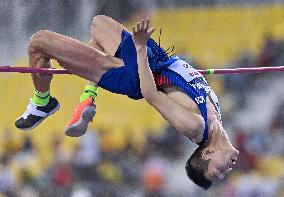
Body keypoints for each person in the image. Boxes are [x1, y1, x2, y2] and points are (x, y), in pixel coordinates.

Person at [15, 15, 239, 190]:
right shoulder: (216, 118)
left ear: (207, 154)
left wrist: (140, 48)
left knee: (39, 42)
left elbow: (151, 95)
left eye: (218, 172)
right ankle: (88, 96)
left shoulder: (196, 127)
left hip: (135, 75)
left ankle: (43, 102)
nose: (226, 171)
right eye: (221, 174)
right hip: (157, 59)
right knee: (99, 24)